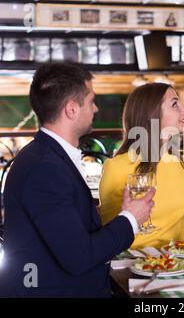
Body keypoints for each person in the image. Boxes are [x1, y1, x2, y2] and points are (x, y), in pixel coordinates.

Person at [0, 62, 155, 298]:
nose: (96, 109)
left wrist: (124, 213)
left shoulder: (48, 156)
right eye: (92, 101)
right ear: (72, 109)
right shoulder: (44, 168)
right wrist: (131, 218)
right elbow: (79, 256)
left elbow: (69, 230)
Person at [98, 83, 184, 249]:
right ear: (152, 115)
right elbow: (109, 231)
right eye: (174, 104)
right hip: (133, 263)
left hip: (179, 262)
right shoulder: (116, 167)